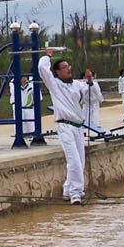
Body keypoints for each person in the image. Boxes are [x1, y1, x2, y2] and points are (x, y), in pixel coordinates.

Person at [38, 50, 88, 205]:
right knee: (74, 160)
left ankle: (67, 189)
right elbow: (42, 68)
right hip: (65, 126)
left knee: (80, 160)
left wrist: (90, 82)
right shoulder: (54, 84)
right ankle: (76, 193)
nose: (68, 69)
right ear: (58, 72)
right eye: (64, 67)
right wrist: (48, 56)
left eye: (68, 66)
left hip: (78, 127)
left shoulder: (77, 84)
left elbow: (89, 94)